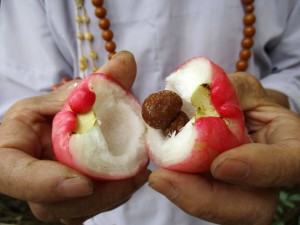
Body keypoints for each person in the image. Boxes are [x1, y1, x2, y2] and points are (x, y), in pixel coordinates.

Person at [0, 0, 299, 225]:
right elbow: (15, 76)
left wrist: (275, 100)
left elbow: (294, 65)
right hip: (105, 210)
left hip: (243, 161)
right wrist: (31, 120)